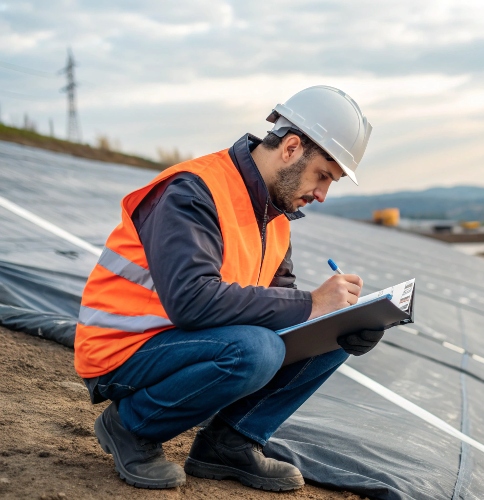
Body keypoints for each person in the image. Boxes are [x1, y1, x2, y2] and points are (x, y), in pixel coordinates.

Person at [73, 86, 381, 491]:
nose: (322, 195)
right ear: (290, 148)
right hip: (123, 348)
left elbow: (282, 310)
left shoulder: (276, 217)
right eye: (323, 176)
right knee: (257, 350)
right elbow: (192, 301)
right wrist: (310, 303)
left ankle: (228, 443)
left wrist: (345, 325)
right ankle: (130, 427)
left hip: (185, 343)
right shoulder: (193, 189)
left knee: (327, 329)